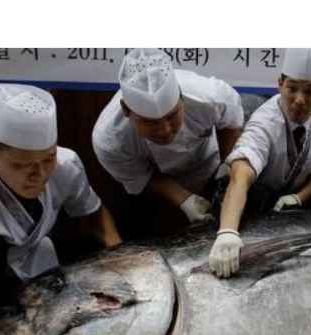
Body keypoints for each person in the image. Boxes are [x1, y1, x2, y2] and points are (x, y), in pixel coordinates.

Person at [0, 84, 122, 335]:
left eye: (46, 160)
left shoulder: (66, 165)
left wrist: (119, 257)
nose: (38, 174)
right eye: (22, 165)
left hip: (34, 263)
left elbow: (94, 215)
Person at [209, 48, 311, 278]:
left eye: (310, 91)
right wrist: (227, 231)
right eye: (292, 89)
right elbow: (240, 175)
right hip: (253, 202)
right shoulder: (265, 122)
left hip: (292, 203)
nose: (300, 100)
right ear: (279, 84)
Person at [92, 48, 244, 228]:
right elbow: (140, 175)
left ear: (181, 99)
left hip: (211, 159)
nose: (164, 130)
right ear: (126, 110)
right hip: (164, 182)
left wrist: (226, 168)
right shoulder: (110, 140)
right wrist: (185, 200)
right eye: (150, 123)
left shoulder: (210, 97)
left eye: (172, 116)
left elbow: (231, 124)